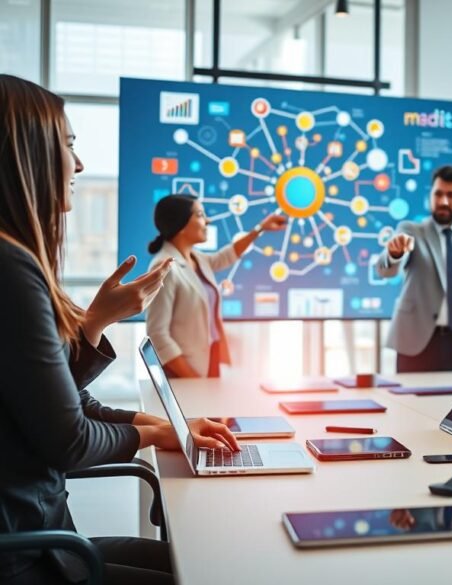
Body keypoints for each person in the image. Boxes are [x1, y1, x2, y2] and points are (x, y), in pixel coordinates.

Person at [0, 74, 239, 585]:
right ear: (26, 152)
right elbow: (69, 438)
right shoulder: (10, 269)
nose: (79, 164)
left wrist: (97, 324)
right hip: (31, 555)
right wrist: (156, 432)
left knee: (204, 562)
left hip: (45, 536)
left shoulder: (17, 263)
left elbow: (68, 404)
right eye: (68, 145)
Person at [376, 165, 452, 372]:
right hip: (414, 344)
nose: (443, 201)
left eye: (451, 195)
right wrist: (395, 253)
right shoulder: (410, 231)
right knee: (409, 404)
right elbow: (387, 271)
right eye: (438, 194)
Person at [145, 195, 286, 378]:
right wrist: (191, 377)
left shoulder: (195, 258)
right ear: (180, 224)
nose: (208, 220)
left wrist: (260, 229)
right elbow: (157, 334)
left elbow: (226, 256)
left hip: (209, 360)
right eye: (200, 214)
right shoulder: (164, 267)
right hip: (185, 372)